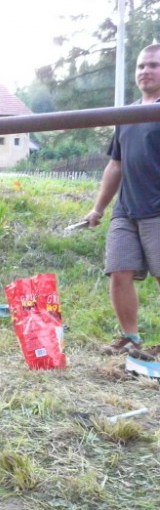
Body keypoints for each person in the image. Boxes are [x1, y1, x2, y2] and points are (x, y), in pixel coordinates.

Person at [84, 44, 160, 360]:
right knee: (119, 272)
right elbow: (115, 165)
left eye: (154, 65)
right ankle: (131, 338)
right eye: (141, 66)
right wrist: (98, 208)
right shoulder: (126, 114)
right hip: (126, 210)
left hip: (157, 210)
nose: (146, 71)